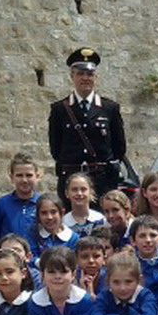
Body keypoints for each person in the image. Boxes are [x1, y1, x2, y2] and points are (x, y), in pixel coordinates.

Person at [48, 46, 126, 200]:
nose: (85, 78)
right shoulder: (60, 109)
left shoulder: (109, 108)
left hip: (102, 182)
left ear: (96, 77)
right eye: (80, 73)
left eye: (89, 74)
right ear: (72, 76)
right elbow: (56, 149)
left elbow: (119, 148)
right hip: (71, 181)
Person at [0, 153, 41, 240]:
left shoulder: (42, 204)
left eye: (29, 175)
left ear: (37, 177)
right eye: (19, 175)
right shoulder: (1, 205)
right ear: (11, 177)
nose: (24, 180)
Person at [129, 217, 158, 306]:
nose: (148, 240)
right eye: (142, 236)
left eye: (153, 235)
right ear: (133, 241)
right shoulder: (128, 265)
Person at [29, 194, 80, 258]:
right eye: (44, 213)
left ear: (62, 213)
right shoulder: (33, 235)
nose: (49, 217)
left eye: (53, 212)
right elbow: (31, 257)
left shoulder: (73, 239)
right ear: (38, 216)